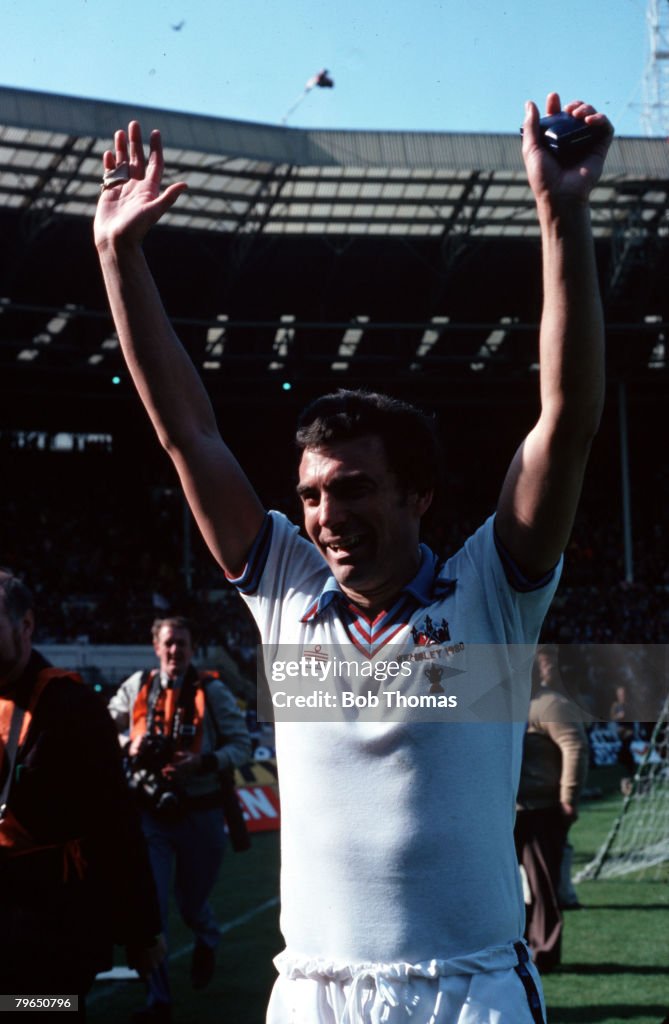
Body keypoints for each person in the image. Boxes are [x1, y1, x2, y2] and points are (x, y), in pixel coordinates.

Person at [94, 92, 612, 1023]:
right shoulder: (285, 589)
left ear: (418, 495)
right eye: (311, 494)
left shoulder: (490, 591)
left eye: (353, 489)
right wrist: (118, 255)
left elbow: (566, 424)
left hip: (470, 990)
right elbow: (186, 434)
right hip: (315, 991)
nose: (325, 515)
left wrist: (559, 212)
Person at [0, 571, 164, 1021]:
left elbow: (115, 823)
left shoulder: (70, 705)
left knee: (39, 1011)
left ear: (25, 626)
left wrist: (141, 930)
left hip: (50, 929)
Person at [108, 615, 252, 1024]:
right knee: (153, 909)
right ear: (156, 647)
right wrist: (128, 743)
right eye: (169, 643)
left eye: (183, 644)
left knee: (191, 905)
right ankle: (160, 1001)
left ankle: (206, 936)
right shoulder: (137, 687)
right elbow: (105, 724)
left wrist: (202, 761)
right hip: (151, 813)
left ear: (192, 649)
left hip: (201, 813)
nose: (175, 651)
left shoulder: (214, 690)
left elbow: (241, 746)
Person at [515, 645, 589, 972]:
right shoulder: (510, 703)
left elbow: (575, 748)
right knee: (508, 884)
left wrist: (568, 796)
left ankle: (543, 952)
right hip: (509, 809)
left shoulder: (551, 705)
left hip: (541, 808)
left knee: (543, 884)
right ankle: (519, 944)